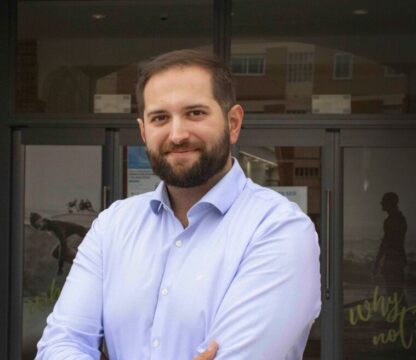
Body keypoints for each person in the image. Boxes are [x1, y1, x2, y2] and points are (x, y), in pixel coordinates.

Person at [36, 49, 321, 360]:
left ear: (234, 123)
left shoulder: (278, 229)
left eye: (195, 113)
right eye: (160, 118)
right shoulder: (113, 225)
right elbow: (58, 347)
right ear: (144, 131)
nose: (177, 134)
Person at [372, 192, 407, 304]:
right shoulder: (400, 219)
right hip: (398, 260)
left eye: (384, 203)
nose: (382, 205)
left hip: (393, 261)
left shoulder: (391, 221)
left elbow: (386, 243)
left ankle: (397, 315)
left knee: (393, 291)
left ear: (390, 204)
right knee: (396, 291)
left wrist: (377, 262)